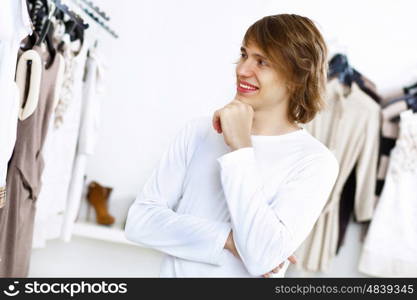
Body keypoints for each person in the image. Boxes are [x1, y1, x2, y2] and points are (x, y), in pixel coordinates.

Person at [125, 14, 339, 277]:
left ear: (296, 77)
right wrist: (227, 239)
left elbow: (263, 257)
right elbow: (139, 222)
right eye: (244, 54)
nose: (242, 69)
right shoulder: (199, 131)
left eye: (262, 62)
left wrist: (240, 149)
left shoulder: (315, 161)